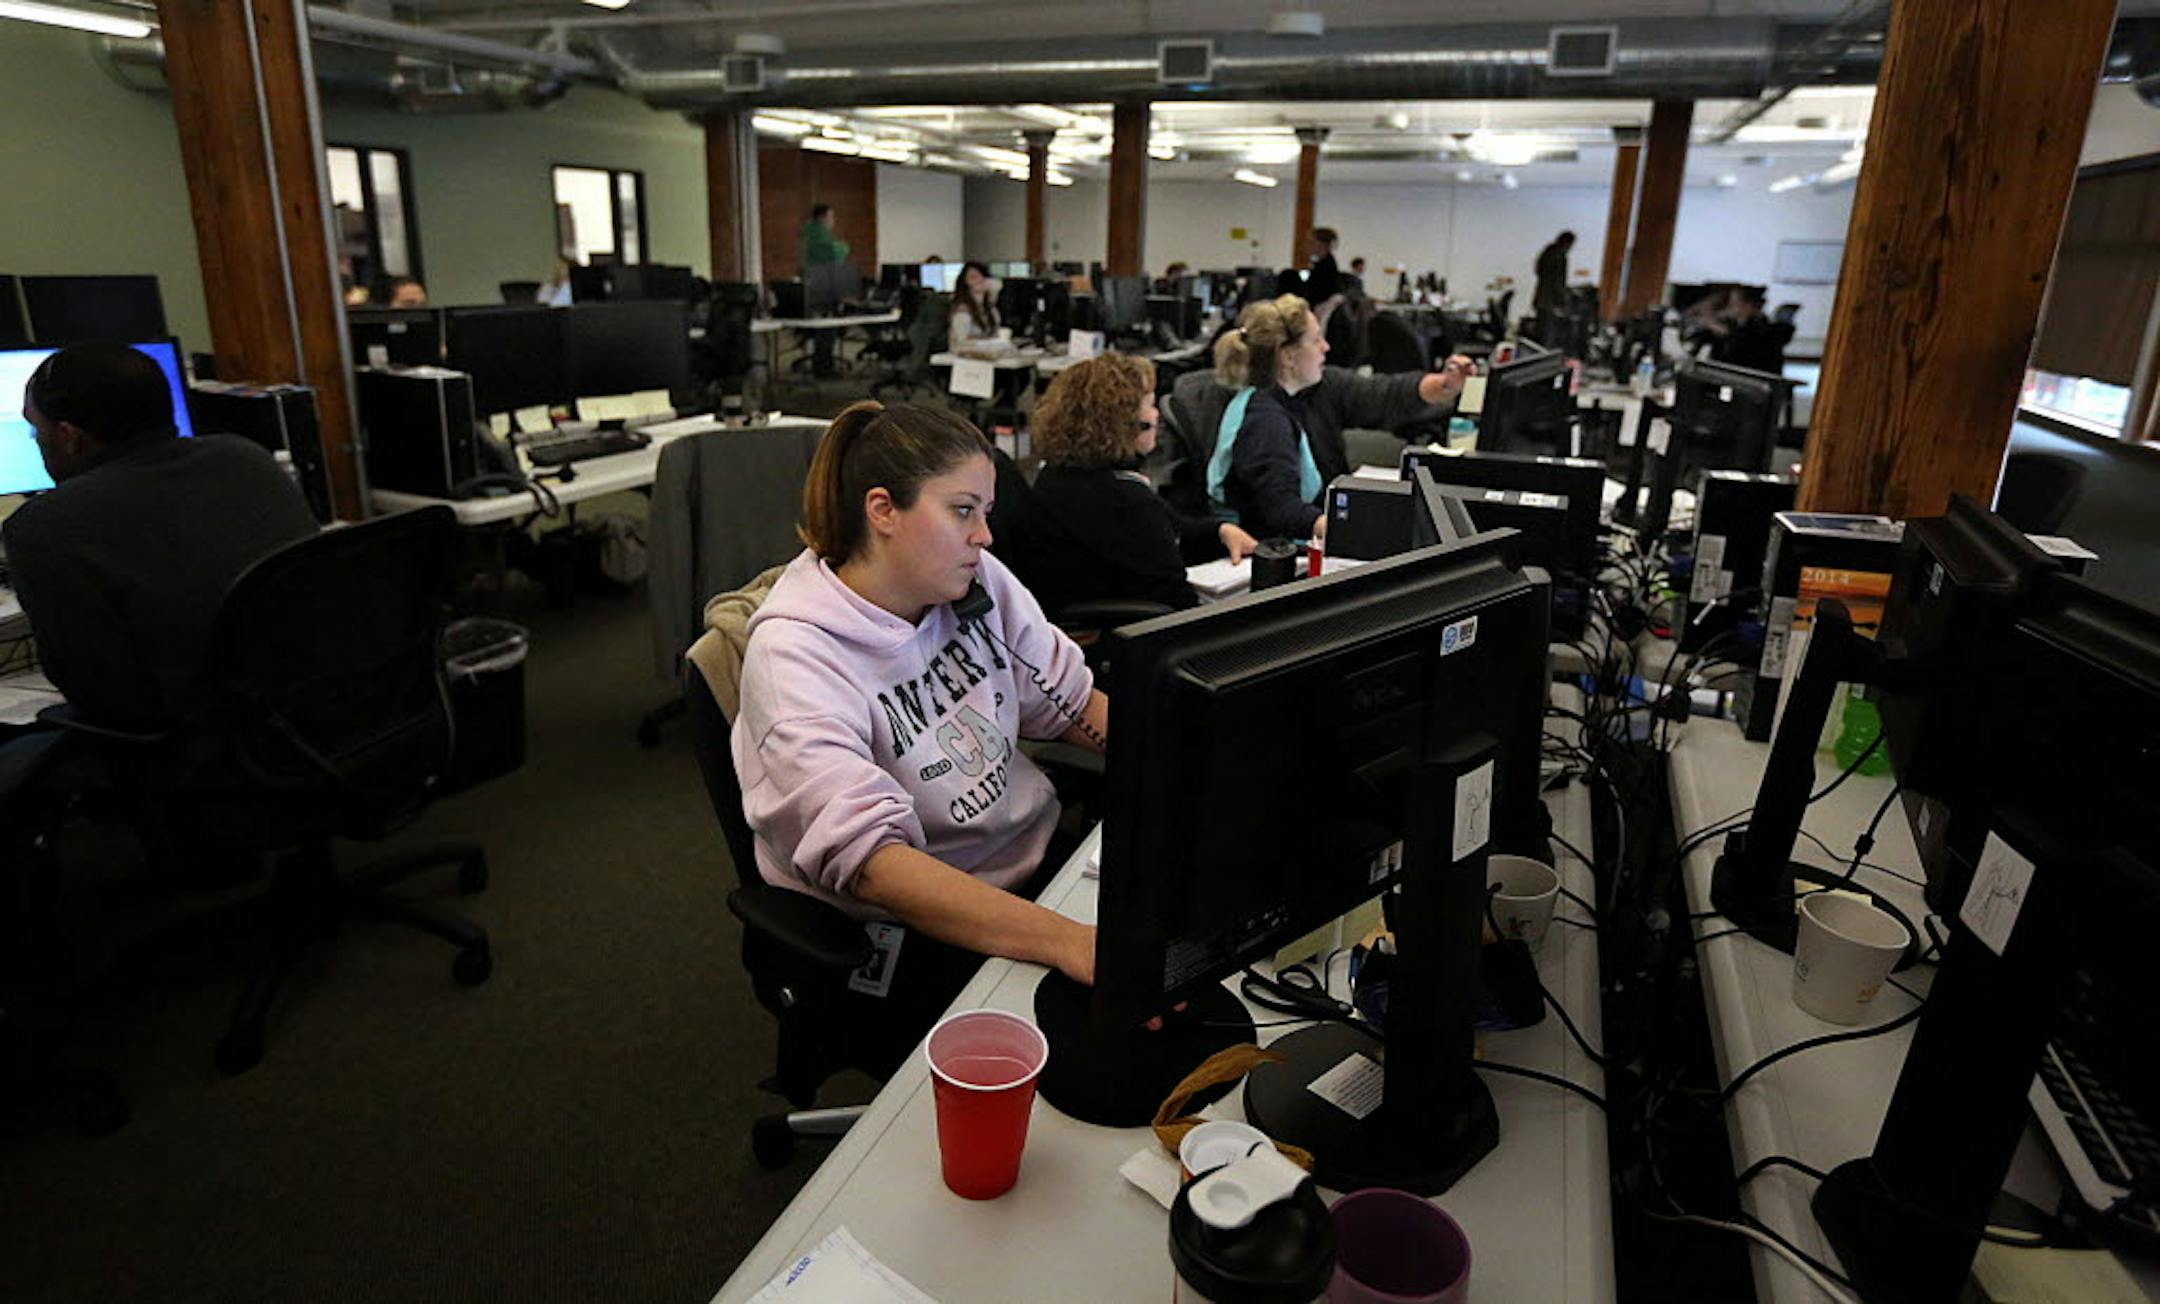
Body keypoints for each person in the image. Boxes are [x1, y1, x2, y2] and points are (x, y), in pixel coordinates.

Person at [731, 400, 1107, 1073]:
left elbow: (1069, 700)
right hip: (921, 926)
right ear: (883, 511)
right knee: (1093, 1067)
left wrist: (1188, 758)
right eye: (964, 510)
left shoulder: (972, 582)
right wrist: (1064, 940)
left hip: (1033, 869)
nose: (985, 536)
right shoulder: (795, 657)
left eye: (985, 512)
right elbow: (877, 867)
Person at [2, 343, 318, 794]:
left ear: (71, 437)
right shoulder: (246, 458)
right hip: (321, 715)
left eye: (38, 432)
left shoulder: (44, 528)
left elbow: (102, 697)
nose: (38, 444)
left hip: (203, 758)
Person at [999, 355, 1256, 616]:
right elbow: (1177, 598)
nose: (1157, 415)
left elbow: (1174, 528)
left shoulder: (1061, 474)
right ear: (1126, 422)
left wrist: (1219, 532)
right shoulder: (1123, 499)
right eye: (1151, 405)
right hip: (1130, 633)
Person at [1209, 294, 1476, 541]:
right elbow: (1283, 512)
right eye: (1315, 340)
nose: (1326, 347)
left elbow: (1383, 394)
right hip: (1279, 552)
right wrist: (1361, 531)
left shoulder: (1319, 387)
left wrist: (1446, 384)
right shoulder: (1265, 421)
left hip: (1317, 523)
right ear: (1288, 356)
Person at [801, 203, 851, 375]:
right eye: (831, 217)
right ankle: (824, 367)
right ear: (822, 217)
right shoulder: (819, 234)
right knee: (827, 328)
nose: (833, 221)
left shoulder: (810, 232)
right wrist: (844, 247)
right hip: (824, 286)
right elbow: (832, 252)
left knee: (824, 328)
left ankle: (822, 363)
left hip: (816, 284)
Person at [1707, 286, 1794, 374]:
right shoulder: (1740, 326)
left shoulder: (1765, 331)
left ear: (1748, 306)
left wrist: (1726, 332)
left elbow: (1737, 355)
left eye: (1735, 303)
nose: (1731, 308)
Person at [947, 260, 1001, 353]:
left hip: (986, 355)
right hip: (966, 360)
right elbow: (962, 341)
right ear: (965, 283)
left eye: (982, 276)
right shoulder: (962, 311)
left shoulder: (990, 309)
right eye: (973, 277)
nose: (980, 280)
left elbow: (997, 284)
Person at [1533, 231, 1575, 314]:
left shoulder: (1548, 252)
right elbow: (1558, 281)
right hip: (1550, 302)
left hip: (1541, 299)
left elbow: (1538, 270)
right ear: (1567, 243)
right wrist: (1563, 298)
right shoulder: (1560, 256)